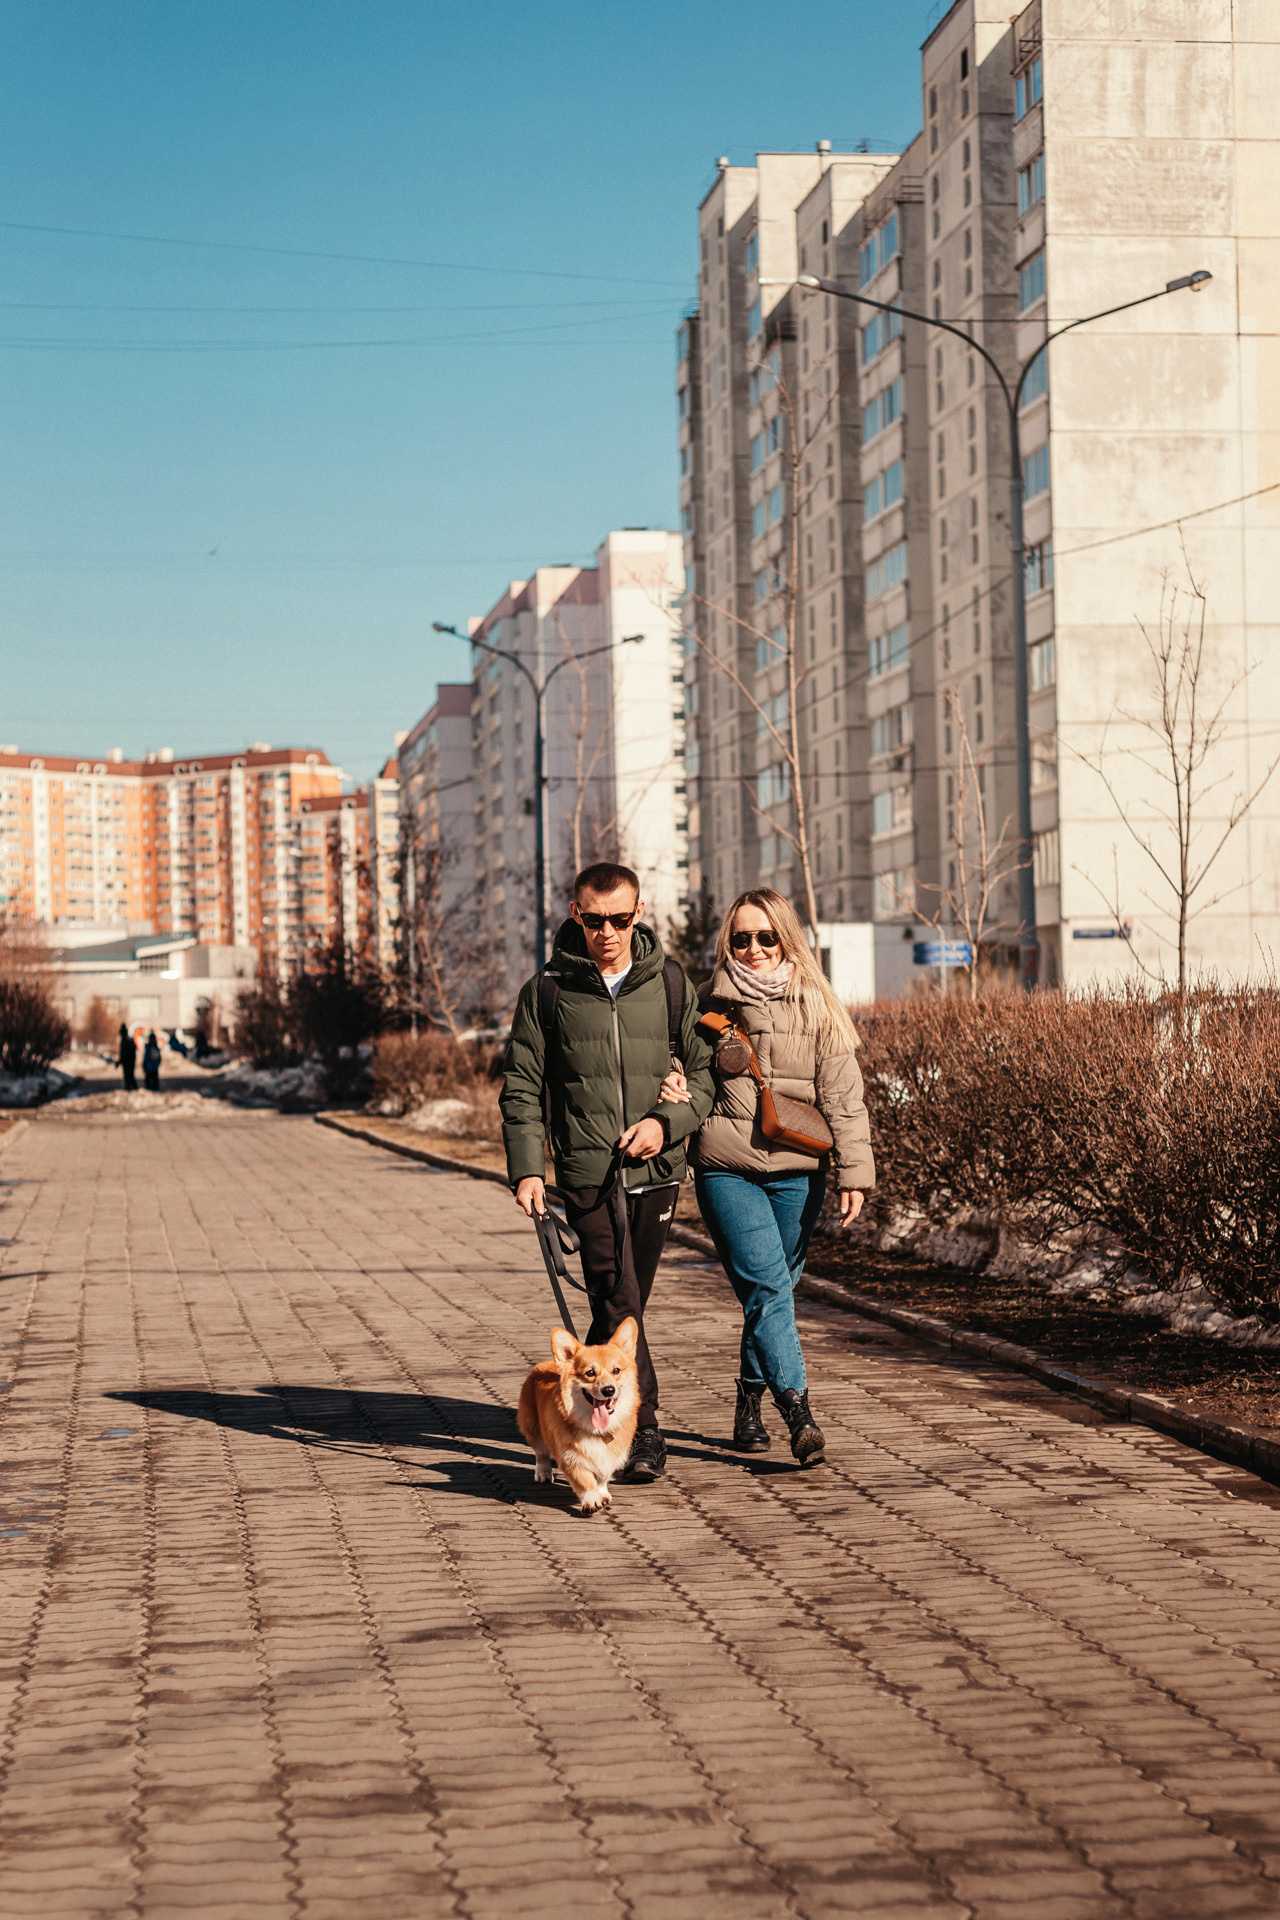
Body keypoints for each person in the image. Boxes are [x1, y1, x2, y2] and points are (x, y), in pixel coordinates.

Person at [501, 861, 714, 1482]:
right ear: (576, 914)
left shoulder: (669, 982)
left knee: (623, 1309)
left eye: (620, 919)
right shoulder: (547, 991)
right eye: (595, 920)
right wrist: (527, 1170)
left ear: (638, 913)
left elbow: (705, 1076)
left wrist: (666, 1124)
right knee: (616, 1294)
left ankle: (579, 1416)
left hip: (657, 1171)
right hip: (588, 1175)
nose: (608, 932)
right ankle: (644, 1431)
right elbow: (522, 1087)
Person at [662, 888, 874, 1468]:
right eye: (741, 938)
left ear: (786, 938)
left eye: (765, 936)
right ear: (727, 943)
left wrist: (855, 1173)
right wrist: (671, 1081)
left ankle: (747, 1402)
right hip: (726, 1168)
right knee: (768, 1289)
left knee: (773, 1291)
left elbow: (844, 1098)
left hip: (799, 1173)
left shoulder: (818, 1005)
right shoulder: (707, 1004)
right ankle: (798, 1412)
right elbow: (678, 1069)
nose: (753, 948)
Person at [117, 1023, 137, 1092]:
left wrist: (121, 1060)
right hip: (129, 1061)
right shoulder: (128, 1040)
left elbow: (124, 1053)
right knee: (129, 1076)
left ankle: (131, 1089)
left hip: (128, 1061)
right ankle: (131, 1088)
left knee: (129, 1076)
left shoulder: (125, 1040)